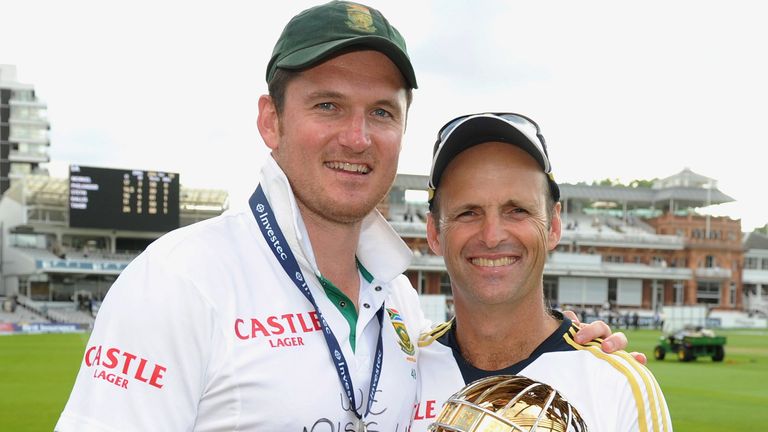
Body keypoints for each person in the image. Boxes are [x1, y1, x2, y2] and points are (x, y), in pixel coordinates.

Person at [55, 3, 631, 431]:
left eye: (381, 112)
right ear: (271, 120)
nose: (356, 138)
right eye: (327, 104)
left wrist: (576, 350)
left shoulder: (401, 303)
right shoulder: (181, 280)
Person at [413, 113, 672, 431]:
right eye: (468, 212)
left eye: (517, 210)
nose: (492, 236)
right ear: (434, 233)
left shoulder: (618, 386)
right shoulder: (398, 369)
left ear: (554, 225)